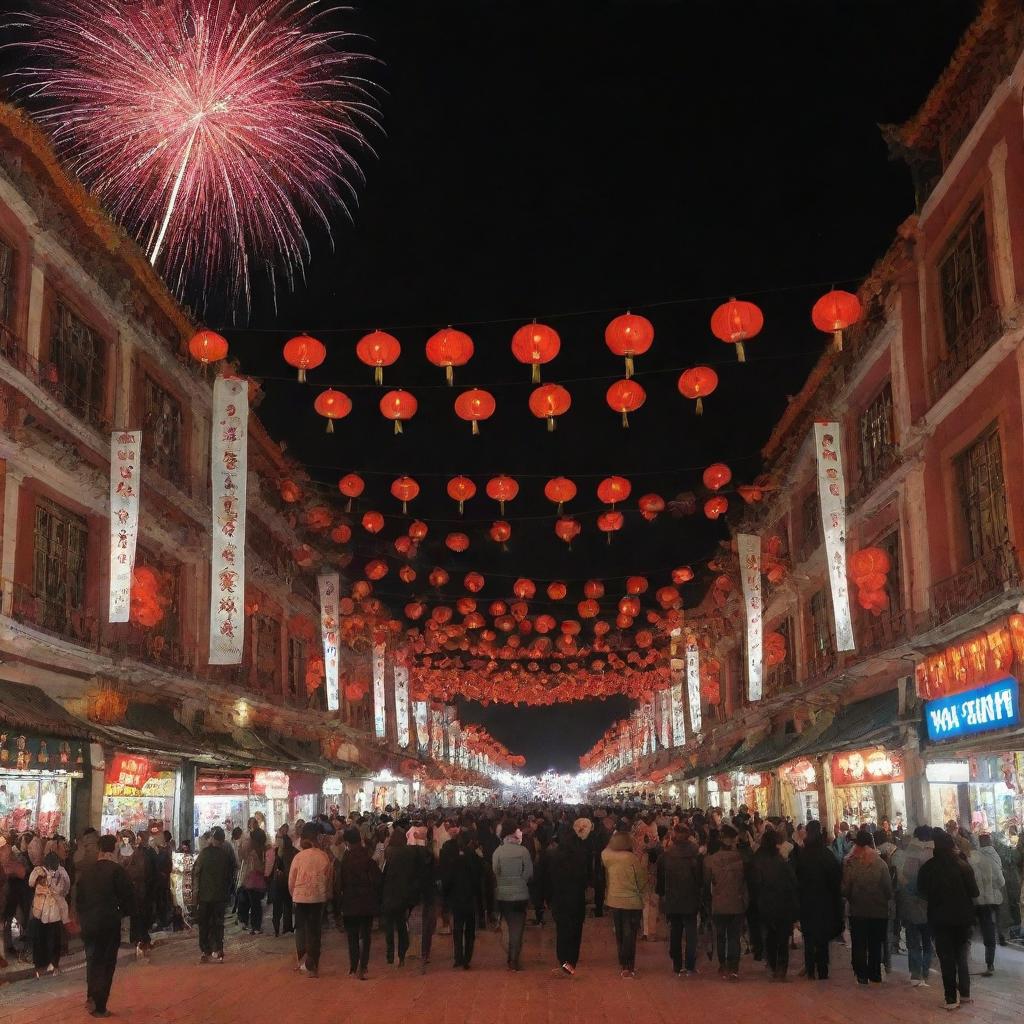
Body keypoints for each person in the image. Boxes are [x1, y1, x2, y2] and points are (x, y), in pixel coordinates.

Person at [919, 828, 979, 1011]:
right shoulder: (963, 866)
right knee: (961, 956)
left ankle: (951, 998)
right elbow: (975, 892)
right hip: (963, 919)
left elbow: (922, 891)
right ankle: (966, 994)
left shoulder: (928, 868)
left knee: (946, 958)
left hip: (939, 920)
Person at [76, 834, 134, 1018]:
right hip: (109, 922)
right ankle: (100, 1005)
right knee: (107, 963)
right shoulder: (117, 871)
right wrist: (121, 913)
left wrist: (83, 918)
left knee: (92, 960)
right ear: (114, 849)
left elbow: (79, 899)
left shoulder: (87, 871)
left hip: (89, 923)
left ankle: (91, 995)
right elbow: (129, 899)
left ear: (99, 849)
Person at [842, 829, 892, 985]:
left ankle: (861, 974)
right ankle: (875, 973)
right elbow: (888, 889)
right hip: (879, 911)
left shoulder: (851, 863)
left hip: (858, 910)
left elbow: (845, 889)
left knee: (859, 943)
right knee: (875, 943)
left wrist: (851, 897)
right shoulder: (881, 863)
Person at [794, 820, 842, 980]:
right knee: (822, 937)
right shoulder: (827, 854)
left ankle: (810, 969)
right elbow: (835, 879)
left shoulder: (802, 854)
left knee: (808, 937)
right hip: (824, 901)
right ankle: (822, 969)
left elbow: (796, 878)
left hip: (807, 901)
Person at [544, 817, 591, 977]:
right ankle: (571, 962)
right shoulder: (581, 855)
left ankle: (563, 961)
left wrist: (548, 897)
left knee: (562, 931)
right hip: (576, 899)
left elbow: (550, 879)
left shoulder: (555, 856)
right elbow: (585, 879)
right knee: (575, 931)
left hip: (560, 899)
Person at [752, 829, 799, 981]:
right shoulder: (781, 862)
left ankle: (773, 966)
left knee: (770, 937)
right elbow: (792, 883)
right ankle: (781, 969)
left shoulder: (758, 861)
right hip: (783, 905)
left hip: (766, 905)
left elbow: (755, 884)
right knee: (782, 939)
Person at [657, 824, 703, 976]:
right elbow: (699, 879)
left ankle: (677, 964)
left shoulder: (667, 855)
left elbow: (661, 880)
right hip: (690, 898)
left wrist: (662, 895)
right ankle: (690, 964)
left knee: (675, 931)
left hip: (673, 898)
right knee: (691, 933)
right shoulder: (695, 855)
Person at [601, 823, 646, 978]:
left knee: (620, 932)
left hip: (614, 899)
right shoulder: (631, 858)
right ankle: (628, 964)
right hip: (632, 901)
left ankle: (622, 961)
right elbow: (641, 880)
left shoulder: (607, 856)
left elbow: (605, 850)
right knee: (630, 934)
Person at [288, 822, 333, 978]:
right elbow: (328, 879)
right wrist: (325, 894)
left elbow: (291, 880)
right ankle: (313, 965)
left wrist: (294, 894)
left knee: (300, 929)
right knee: (315, 931)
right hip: (318, 897)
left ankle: (302, 961)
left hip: (300, 898)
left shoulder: (298, 857)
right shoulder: (324, 856)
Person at [893, 825, 934, 986]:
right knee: (927, 939)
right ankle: (924, 972)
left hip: (910, 903)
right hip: (927, 903)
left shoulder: (906, 853)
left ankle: (915, 974)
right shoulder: (931, 854)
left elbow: (904, 880)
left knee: (913, 939)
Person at [338, 827, 381, 979]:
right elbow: (377, 881)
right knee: (366, 935)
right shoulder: (368, 858)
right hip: (367, 902)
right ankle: (363, 967)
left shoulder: (345, 860)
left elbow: (339, 883)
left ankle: (353, 966)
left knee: (352, 936)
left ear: (348, 842)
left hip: (350, 902)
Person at [705, 823, 747, 979]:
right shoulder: (741, 859)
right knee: (734, 937)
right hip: (737, 903)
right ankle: (733, 968)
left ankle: (722, 965)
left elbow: (706, 883)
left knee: (721, 936)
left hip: (718, 903)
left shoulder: (711, 860)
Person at [492, 819, 533, 972]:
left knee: (506, 926)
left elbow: (495, 871)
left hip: (503, 895)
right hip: (521, 894)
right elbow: (529, 873)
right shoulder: (523, 851)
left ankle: (510, 955)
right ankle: (514, 957)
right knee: (518, 927)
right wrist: (520, 881)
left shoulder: (498, 852)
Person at [192, 826, 235, 964]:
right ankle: (218, 949)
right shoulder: (225, 856)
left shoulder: (203, 854)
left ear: (212, 839)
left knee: (204, 924)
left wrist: (195, 895)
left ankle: (205, 950)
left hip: (204, 897)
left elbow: (196, 873)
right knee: (218, 924)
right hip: (219, 896)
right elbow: (230, 876)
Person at [442, 830, 482, 969]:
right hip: (470, 898)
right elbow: (479, 878)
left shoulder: (454, 859)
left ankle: (458, 957)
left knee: (458, 928)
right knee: (470, 930)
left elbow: (448, 880)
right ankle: (467, 959)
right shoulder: (474, 858)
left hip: (457, 898)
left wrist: (445, 897)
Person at [381, 829, 420, 967]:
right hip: (403, 893)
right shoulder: (409, 852)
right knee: (401, 924)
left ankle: (390, 953)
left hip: (389, 892)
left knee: (389, 925)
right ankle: (402, 954)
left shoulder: (389, 851)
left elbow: (384, 872)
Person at [28, 851, 70, 977]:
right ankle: (51, 966)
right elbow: (31, 882)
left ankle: (45, 966)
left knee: (43, 940)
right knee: (51, 940)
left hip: (45, 912)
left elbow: (64, 890)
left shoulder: (59, 872)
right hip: (47, 912)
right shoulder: (40, 871)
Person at [968, 832, 1004, 977]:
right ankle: (990, 962)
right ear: (990, 842)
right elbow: (1001, 881)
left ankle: (966, 958)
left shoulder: (973, 857)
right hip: (990, 900)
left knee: (970, 928)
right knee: (989, 929)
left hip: (975, 900)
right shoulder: (994, 858)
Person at [124, 831, 155, 961]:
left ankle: (140, 940)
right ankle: (140, 940)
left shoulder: (138, 853)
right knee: (139, 915)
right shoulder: (137, 852)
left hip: (139, 889)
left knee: (139, 915)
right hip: (139, 890)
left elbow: (140, 872)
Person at [239, 827, 271, 935]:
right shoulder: (263, 851)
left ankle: (255, 926)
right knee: (255, 904)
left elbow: (257, 867)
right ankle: (255, 926)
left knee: (255, 905)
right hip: (257, 882)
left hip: (253, 882)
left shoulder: (257, 852)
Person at [270, 833, 296, 937]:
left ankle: (282, 928)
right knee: (283, 906)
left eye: (279, 838)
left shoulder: (281, 852)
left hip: (282, 883)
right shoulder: (277, 851)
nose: (277, 840)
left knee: (282, 907)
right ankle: (283, 928)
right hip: (283, 882)